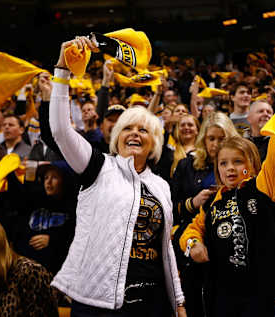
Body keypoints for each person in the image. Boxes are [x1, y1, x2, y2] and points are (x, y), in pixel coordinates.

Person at [49, 36, 186, 317]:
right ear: (116, 138)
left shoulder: (161, 185)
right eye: (127, 128)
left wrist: (179, 302)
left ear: (154, 145)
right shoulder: (98, 167)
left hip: (152, 303)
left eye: (143, 130)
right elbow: (61, 131)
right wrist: (62, 72)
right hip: (98, 303)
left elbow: (166, 250)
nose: (135, 133)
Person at [180, 135, 275, 317]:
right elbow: (192, 230)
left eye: (238, 161)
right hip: (220, 291)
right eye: (223, 163)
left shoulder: (262, 187)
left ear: (253, 165)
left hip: (257, 290)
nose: (230, 168)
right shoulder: (211, 203)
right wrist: (193, 244)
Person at [170, 112, 239, 317]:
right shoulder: (186, 165)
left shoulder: (241, 166)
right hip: (191, 240)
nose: (216, 144)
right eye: (211, 138)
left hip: (230, 242)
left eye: (222, 138)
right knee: (195, 301)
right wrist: (193, 203)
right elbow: (169, 208)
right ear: (203, 139)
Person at [13, 162, 77, 275]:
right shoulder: (34, 200)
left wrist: (52, 239)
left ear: (65, 180)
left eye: (54, 177)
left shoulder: (74, 207)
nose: (48, 181)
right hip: (26, 270)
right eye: (46, 177)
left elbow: (75, 236)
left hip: (57, 274)